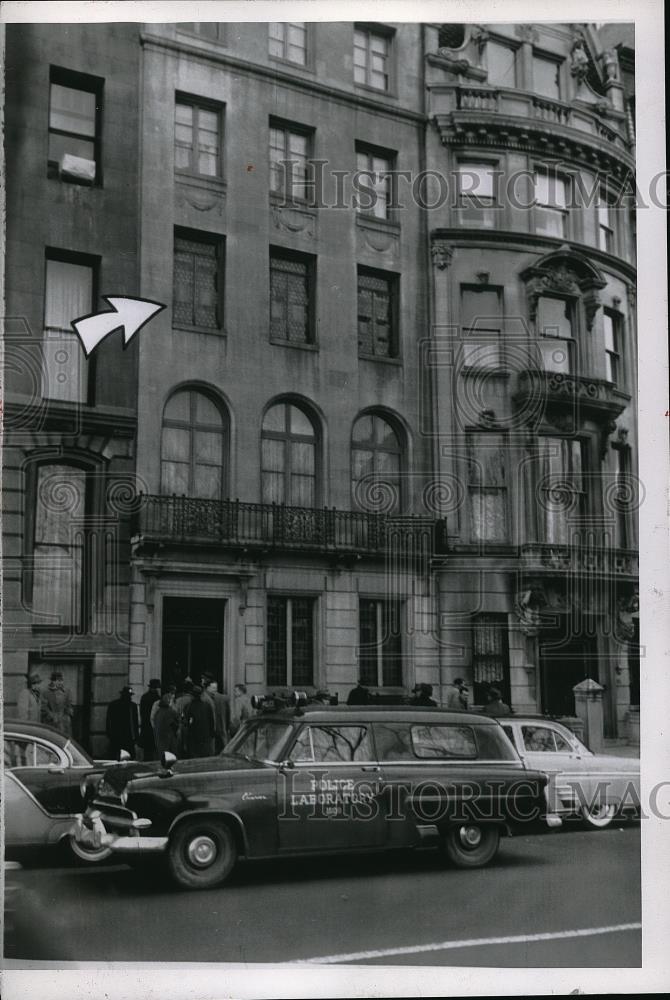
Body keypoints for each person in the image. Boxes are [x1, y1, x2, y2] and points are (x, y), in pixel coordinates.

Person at [106, 686, 140, 759]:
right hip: (124, 736)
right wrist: (136, 736)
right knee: (127, 756)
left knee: (117, 756)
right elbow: (134, 723)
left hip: (120, 736)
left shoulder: (114, 704)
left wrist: (109, 733)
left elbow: (134, 722)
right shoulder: (132, 706)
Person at [184, 685, 215, 758]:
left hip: (193, 735)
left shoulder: (189, 706)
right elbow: (211, 721)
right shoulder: (207, 706)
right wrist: (212, 732)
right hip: (205, 735)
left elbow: (187, 722)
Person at [42, 671, 74, 735]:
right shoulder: (46, 692)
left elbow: (69, 704)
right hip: (51, 721)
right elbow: (44, 706)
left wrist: (69, 713)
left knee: (64, 737)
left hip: (64, 720)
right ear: (53, 681)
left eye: (61, 680)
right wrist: (51, 715)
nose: (60, 682)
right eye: (58, 680)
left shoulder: (67, 691)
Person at [204, 678, 231, 752]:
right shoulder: (224, 698)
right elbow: (228, 715)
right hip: (221, 729)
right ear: (208, 687)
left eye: (215, 688)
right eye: (213, 688)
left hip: (211, 732)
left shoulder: (204, 698)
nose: (215, 690)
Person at [139, 679, 161, 761]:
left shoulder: (144, 697)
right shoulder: (157, 698)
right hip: (154, 726)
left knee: (147, 750)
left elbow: (142, 713)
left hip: (145, 726)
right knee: (154, 749)